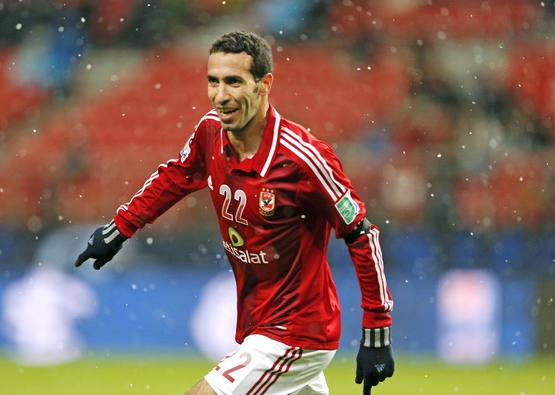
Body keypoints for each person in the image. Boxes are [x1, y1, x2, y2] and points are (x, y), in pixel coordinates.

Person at [75, 31, 394, 395]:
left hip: (296, 330)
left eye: (234, 82)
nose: (221, 96)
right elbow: (176, 176)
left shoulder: (304, 159)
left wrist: (377, 330)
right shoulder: (210, 131)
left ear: (264, 85)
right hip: (258, 322)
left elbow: (361, 234)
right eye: (213, 81)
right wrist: (119, 230)